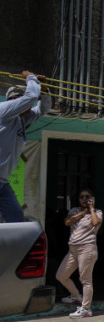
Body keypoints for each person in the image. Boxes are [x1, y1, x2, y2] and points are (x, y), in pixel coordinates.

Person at [1, 71, 51, 222]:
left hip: (2, 183)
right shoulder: (4, 110)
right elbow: (30, 98)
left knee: (16, 220)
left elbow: (43, 110)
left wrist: (44, 91)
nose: (30, 107)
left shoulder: (21, 119)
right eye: (25, 103)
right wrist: (31, 78)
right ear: (15, 102)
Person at [56, 188, 103, 318]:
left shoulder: (98, 212)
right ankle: (76, 296)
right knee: (61, 275)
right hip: (73, 249)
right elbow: (67, 222)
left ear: (92, 199)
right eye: (81, 197)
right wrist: (83, 212)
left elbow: (95, 223)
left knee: (85, 279)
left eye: (87, 197)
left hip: (87, 249)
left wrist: (91, 209)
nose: (84, 199)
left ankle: (86, 308)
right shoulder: (74, 211)